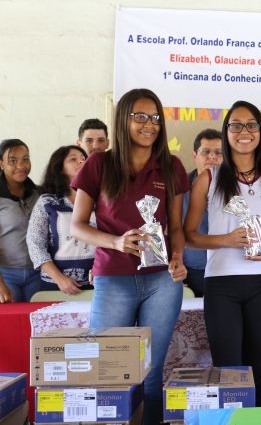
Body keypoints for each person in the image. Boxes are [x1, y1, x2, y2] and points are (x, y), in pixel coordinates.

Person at [70, 88, 188, 424]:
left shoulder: (171, 166)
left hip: (162, 281)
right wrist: (116, 242)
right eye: (140, 117)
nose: (149, 124)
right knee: (108, 367)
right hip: (113, 278)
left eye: (155, 118)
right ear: (123, 120)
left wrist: (177, 257)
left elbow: (175, 227)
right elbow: (78, 226)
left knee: (151, 369)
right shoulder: (99, 163)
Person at [184, 101, 261, 406]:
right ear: (226, 132)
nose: (244, 131)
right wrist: (225, 240)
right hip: (221, 284)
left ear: (260, 132)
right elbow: (189, 236)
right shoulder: (209, 178)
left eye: (251, 125)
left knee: (257, 370)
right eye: (236, 125)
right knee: (228, 372)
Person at [27, 146, 95, 294]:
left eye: (83, 159)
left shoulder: (99, 200)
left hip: (96, 282)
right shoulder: (47, 201)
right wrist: (59, 279)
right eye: (73, 159)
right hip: (56, 285)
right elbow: (35, 243)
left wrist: (104, 270)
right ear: (60, 168)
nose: (81, 162)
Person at [182, 128, 223, 297]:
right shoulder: (179, 187)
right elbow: (168, 229)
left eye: (218, 153)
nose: (212, 157)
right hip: (190, 271)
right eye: (206, 152)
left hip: (227, 270)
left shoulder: (238, 188)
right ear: (194, 155)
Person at [0, 139, 41, 302]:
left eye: (25, 159)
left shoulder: (39, 193)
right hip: (6, 275)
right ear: (1, 164)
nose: (21, 166)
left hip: (38, 273)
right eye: (12, 161)